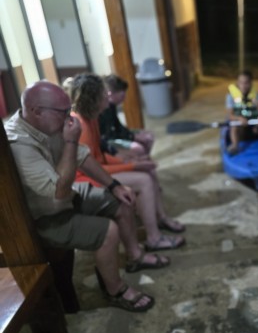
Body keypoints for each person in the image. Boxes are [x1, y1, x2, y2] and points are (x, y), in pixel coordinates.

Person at [5, 81, 162, 312]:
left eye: (69, 109)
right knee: (108, 232)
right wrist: (70, 140)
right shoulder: (18, 144)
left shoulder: (49, 123)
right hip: (42, 217)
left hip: (67, 195)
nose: (69, 116)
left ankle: (135, 256)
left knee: (123, 199)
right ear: (36, 111)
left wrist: (114, 186)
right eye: (63, 111)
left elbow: (83, 157)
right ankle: (115, 291)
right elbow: (58, 191)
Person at [70, 74, 186, 252]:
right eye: (103, 94)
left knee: (149, 172)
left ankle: (160, 218)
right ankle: (154, 238)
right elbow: (92, 168)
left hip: (98, 172)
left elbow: (99, 156)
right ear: (92, 99)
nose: (107, 98)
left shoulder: (90, 118)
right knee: (144, 180)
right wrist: (133, 165)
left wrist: (125, 160)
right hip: (86, 180)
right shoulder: (81, 125)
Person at [99, 74, 154, 160]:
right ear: (110, 93)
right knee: (138, 148)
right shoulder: (102, 109)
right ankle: (141, 161)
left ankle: (145, 160)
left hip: (114, 135)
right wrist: (132, 137)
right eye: (122, 95)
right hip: (108, 140)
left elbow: (117, 126)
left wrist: (132, 135)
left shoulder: (111, 106)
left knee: (149, 136)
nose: (124, 98)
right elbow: (109, 134)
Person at [226, 70, 258, 155]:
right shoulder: (230, 97)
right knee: (233, 125)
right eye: (241, 82)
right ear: (237, 83)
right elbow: (230, 116)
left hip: (254, 122)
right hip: (240, 123)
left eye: (246, 83)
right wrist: (239, 118)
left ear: (250, 83)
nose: (243, 86)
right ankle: (234, 146)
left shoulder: (257, 95)